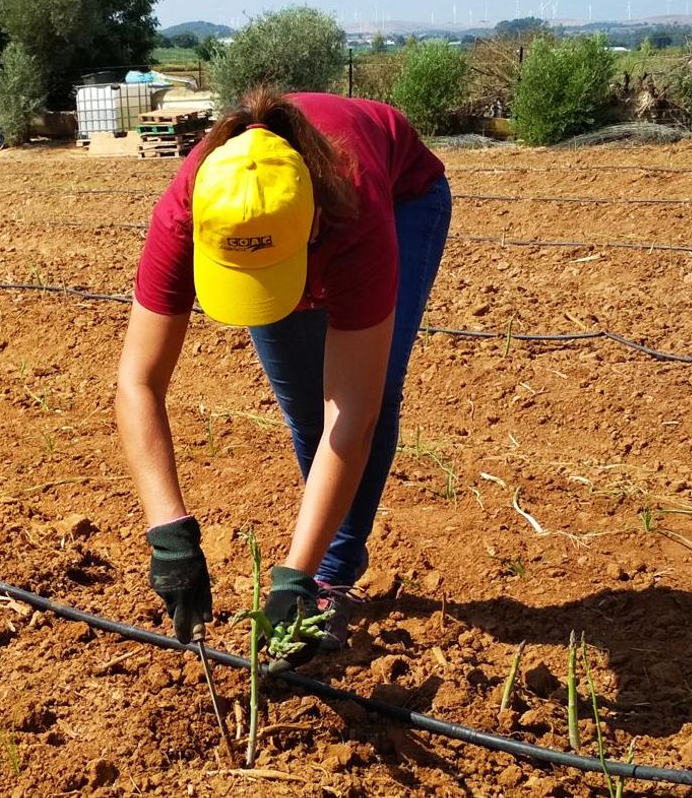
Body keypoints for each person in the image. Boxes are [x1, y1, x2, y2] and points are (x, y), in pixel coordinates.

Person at [115, 88, 450, 668]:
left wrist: (299, 574)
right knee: (303, 408)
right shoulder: (192, 207)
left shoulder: (356, 212)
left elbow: (353, 412)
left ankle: (330, 577)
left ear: (313, 223)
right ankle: (314, 565)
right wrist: (167, 531)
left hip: (405, 201)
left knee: (371, 391)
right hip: (295, 224)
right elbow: (138, 382)